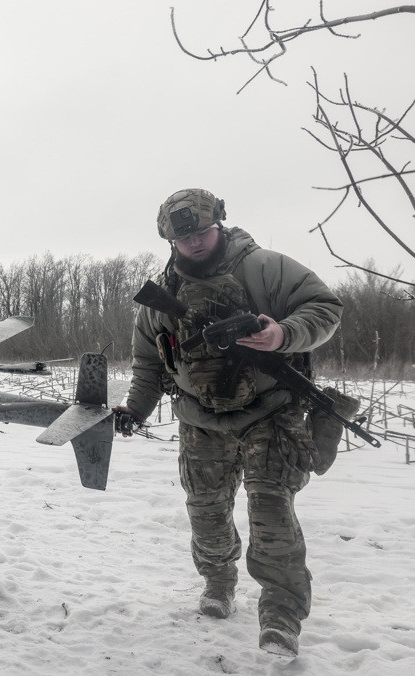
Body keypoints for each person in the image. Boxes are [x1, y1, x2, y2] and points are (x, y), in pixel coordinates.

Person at [114, 188, 359, 657]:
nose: (196, 243)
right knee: (206, 513)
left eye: (203, 232)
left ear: (220, 224)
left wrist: (284, 333)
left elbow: (326, 308)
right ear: (169, 239)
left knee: (271, 511)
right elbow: (148, 364)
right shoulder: (159, 296)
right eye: (184, 238)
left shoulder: (264, 267)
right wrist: (135, 410)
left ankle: (281, 617)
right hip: (198, 417)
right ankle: (218, 582)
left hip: (269, 411)